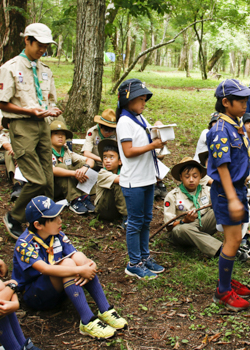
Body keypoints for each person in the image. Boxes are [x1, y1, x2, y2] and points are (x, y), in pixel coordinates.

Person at [11, 196, 127, 339]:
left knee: (79, 257)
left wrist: (90, 265)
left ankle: (105, 309)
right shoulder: (24, 244)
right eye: (54, 218)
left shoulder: (57, 235)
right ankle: (87, 320)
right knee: (69, 264)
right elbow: (45, 269)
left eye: (59, 215)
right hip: (36, 295)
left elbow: (77, 256)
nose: (60, 220)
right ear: (38, 225)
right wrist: (79, 270)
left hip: (60, 288)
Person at [0, 22, 62, 239]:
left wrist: (52, 110)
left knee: (48, 177)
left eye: (46, 46)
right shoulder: (10, 68)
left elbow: (50, 99)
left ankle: (44, 219)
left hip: (43, 125)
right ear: (27, 40)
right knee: (37, 179)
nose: (43, 49)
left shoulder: (45, 70)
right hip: (22, 126)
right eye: (39, 45)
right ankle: (14, 216)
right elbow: (2, 103)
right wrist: (28, 111)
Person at [207, 79, 250, 311]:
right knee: (234, 240)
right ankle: (222, 291)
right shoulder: (219, 129)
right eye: (241, 100)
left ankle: (225, 280)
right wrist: (233, 198)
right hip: (228, 191)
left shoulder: (234, 123)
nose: (246, 104)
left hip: (236, 188)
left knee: (232, 240)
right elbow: (222, 166)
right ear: (226, 102)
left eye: (247, 99)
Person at [116, 78, 166, 280]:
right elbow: (128, 151)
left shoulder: (140, 118)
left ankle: (144, 258)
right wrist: (152, 146)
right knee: (135, 222)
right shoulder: (124, 121)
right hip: (133, 181)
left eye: (145, 99)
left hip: (146, 179)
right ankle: (134, 263)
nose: (144, 103)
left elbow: (148, 141)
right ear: (129, 100)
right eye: (141, 99)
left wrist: (158, 132)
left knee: (146, 220)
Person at [50, 120, 96, 214]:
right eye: (56, 133)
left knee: (83, 166)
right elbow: (52, 170)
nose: (60, 136)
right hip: (52, 188)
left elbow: (90, 160)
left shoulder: (66, 151)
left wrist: (84, 168)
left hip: (67, 186)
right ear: (49, 136)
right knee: (61, 166)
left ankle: (84, 197)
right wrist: (74, 173)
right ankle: (74, 200)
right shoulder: (46, 151)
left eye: (63, 134)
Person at [94, 139, 127, 225]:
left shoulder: (123, 171)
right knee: (118, 184)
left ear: (120, 161)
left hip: (116, 208)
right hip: (104, 209)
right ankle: (127, 217)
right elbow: (121, 180)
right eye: (105, 157)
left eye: (111, 157)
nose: (107, 160)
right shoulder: (102, 173)